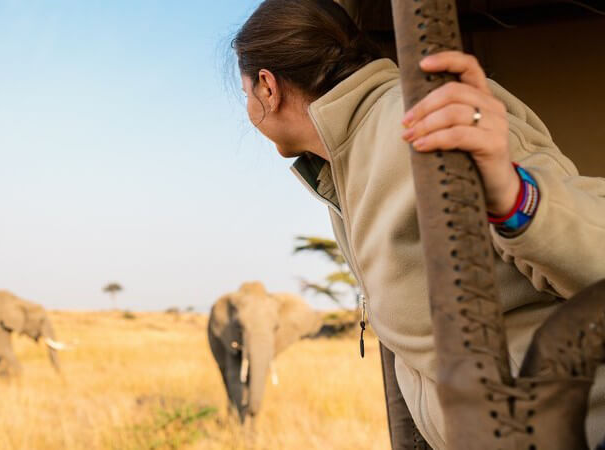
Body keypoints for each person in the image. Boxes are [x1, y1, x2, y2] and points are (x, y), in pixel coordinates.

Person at [231, 0, 605, 448]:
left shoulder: (422, 117)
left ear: (267, 88)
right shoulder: (342, 167)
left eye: (245, 91)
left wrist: (516, 196)